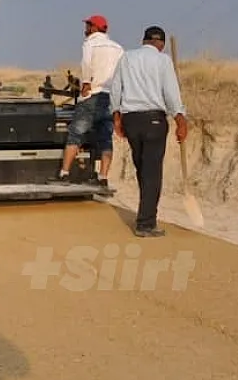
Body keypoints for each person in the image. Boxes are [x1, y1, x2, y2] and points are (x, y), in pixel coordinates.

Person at [109, 25, 189, 238]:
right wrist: (180, 119)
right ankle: (146, 223)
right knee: (152, 172)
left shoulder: (127, 58)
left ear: (144, 40)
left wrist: (117, 117)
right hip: (154, 119)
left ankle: (145, 213)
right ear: (161, 44)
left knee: (142, 169)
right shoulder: (163, 60)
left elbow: (115, 88)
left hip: (131, 120)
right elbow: (171, 93)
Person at [54, 15, 124, 188]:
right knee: (106, 138)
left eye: (87, 25)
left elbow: (86, 63)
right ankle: (103, 178)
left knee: (75, 133)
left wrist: (86, 82)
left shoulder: (90, 43)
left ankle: (64, 174)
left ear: (93, 28)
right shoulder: (118, 48)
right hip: (111, 97)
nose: (85, 29)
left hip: (93, 94)